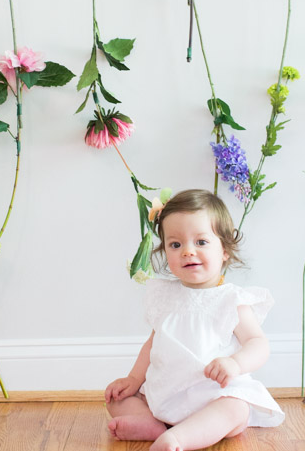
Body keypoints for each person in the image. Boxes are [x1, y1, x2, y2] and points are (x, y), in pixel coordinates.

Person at [105, 189, 285, 451]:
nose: (188, 252)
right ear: (165, 250)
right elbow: (152, 344)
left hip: (214, 395)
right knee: (116, 398)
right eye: (176, 245)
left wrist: (235, 363)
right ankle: (150, 424)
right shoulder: (165, 296)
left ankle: (178, 438)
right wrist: (133, 379)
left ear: (224, 249)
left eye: (201, 242)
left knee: (236, 410)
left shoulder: (231, 300)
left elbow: (258, 343)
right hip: (166, 394)